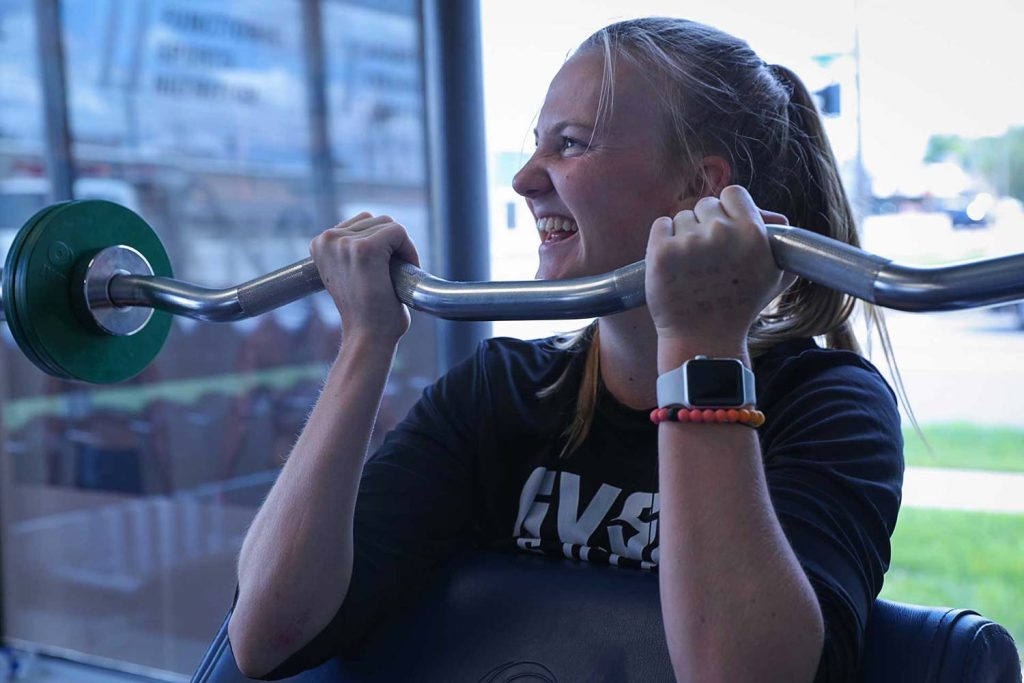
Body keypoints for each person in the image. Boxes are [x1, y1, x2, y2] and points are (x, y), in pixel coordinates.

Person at [227, 17, 904, 683]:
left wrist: (699, 345)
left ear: (699, 188)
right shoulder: (501, 394)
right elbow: (267, 636)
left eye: (570, 144)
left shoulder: (830, 406)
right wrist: (365, 343)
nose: (524, 178)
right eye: (536, 144)